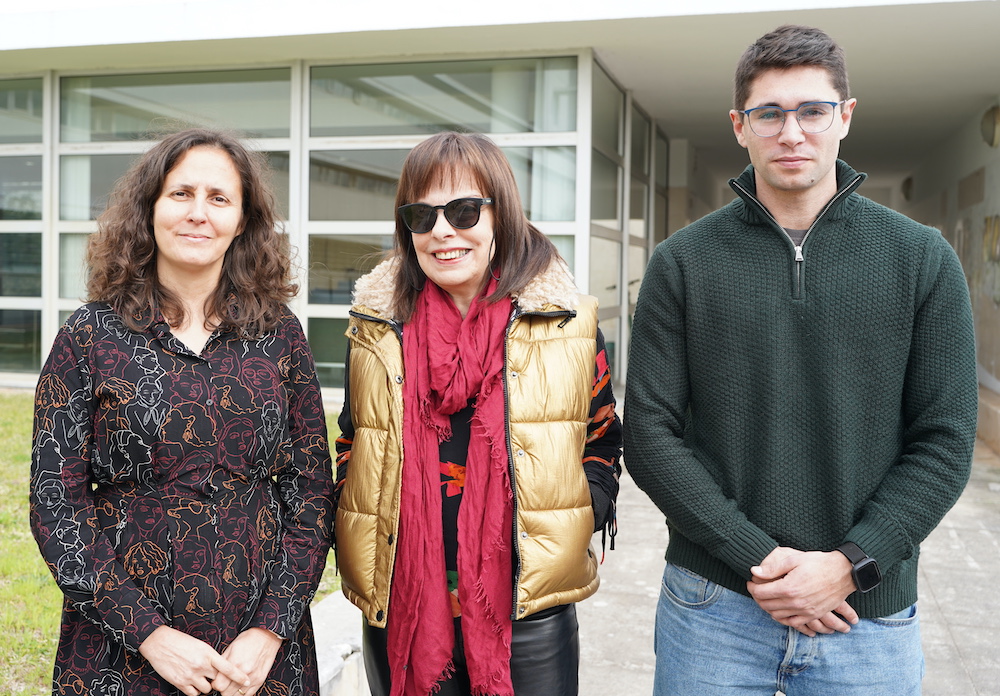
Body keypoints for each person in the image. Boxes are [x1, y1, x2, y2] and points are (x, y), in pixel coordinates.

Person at [624, 24, 978, 695]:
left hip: (865, 616)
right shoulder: (682, 264)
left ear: (844, 117)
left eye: (813, 110)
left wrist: (849, 565)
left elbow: (945, 440)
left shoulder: (921, 260)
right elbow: (650, 436)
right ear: (739, 125)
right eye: (769, 113)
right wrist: (757, 558)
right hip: (714, 610)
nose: (792, 133)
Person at [30, 128, 334, 696]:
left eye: (219, 198)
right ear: (150, 209)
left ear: (242, 221)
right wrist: (149, 636)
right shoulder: (88, 337)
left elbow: (312, 493)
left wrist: (270, 631)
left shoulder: (280, 334)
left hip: (259, 651)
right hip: (123, 646)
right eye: (180, 194)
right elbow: (56, 504)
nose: (199, 213)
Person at [334, 131, 622, 696]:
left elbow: (602, 438)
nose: (443, 230)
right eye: (422, 215)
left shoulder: (568, 326)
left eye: (464, 210)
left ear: (500, 215)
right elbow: (352, 441)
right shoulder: (374, 333)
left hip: (529, 616)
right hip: (404, 608)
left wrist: (576, 519)